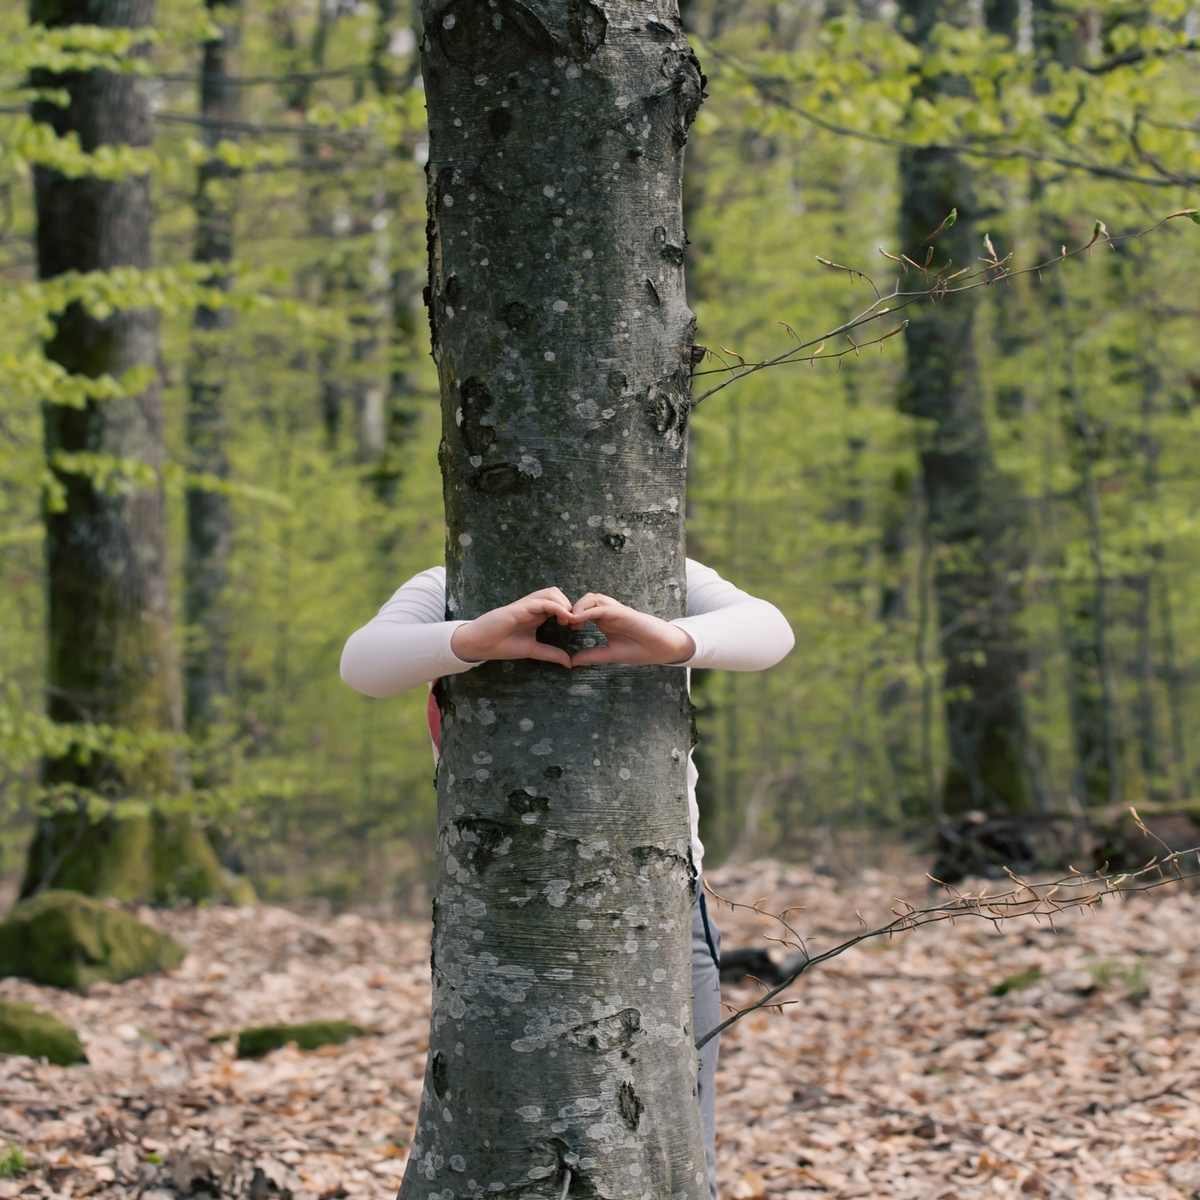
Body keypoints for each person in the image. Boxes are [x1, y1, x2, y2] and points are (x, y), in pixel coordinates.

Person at [340, 559, 794, 1200]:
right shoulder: (449, 581)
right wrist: (467, 641)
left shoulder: (662, 566)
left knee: (674, 1147)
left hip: (665, 913)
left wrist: (674, 641)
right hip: (501, 920)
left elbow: (771, 629)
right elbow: (363, 663)